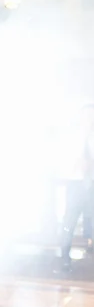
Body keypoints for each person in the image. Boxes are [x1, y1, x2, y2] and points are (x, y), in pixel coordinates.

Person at [59, 103, 94, 272]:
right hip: (75, 185)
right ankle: (65, 258)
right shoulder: (71, 139)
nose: (89, 120)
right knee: (69, 222)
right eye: (86, 116)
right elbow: (63, 165)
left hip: (92, 185)